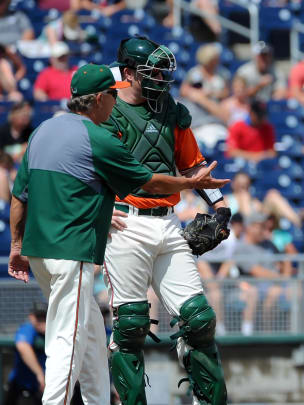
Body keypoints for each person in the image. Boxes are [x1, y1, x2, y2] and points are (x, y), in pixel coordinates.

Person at [7, 63, 228, 405]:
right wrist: (190, 183)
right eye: (112, 94)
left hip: (39, 251)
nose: (116, 99)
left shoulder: (42, 131)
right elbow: (148, 180)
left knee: (93, 338)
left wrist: (16, 245)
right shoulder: (96, 136)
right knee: (68, 342)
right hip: (72, 252)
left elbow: (19, 196)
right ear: (97, 99)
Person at [100, 37, 231, 405]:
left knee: (199, 318)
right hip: (125, 222)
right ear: (128, 73)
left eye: (162, 71)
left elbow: (193, 164)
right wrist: (98, 205)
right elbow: (96, 166)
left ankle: (210, 401)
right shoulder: (106, 109)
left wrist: (221, 207)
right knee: (130, 325)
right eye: (150, 71)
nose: (159, 77)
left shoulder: (171, 108)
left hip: (169, 221)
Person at [4, 303, 48, 405]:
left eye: (44, 317)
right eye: (39, 317)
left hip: (44, 390)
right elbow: (22, 346)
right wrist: (40, 374)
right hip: (23, 387)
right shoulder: (28, 328)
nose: (42, 321)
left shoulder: (55, 331)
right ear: (32, 317)